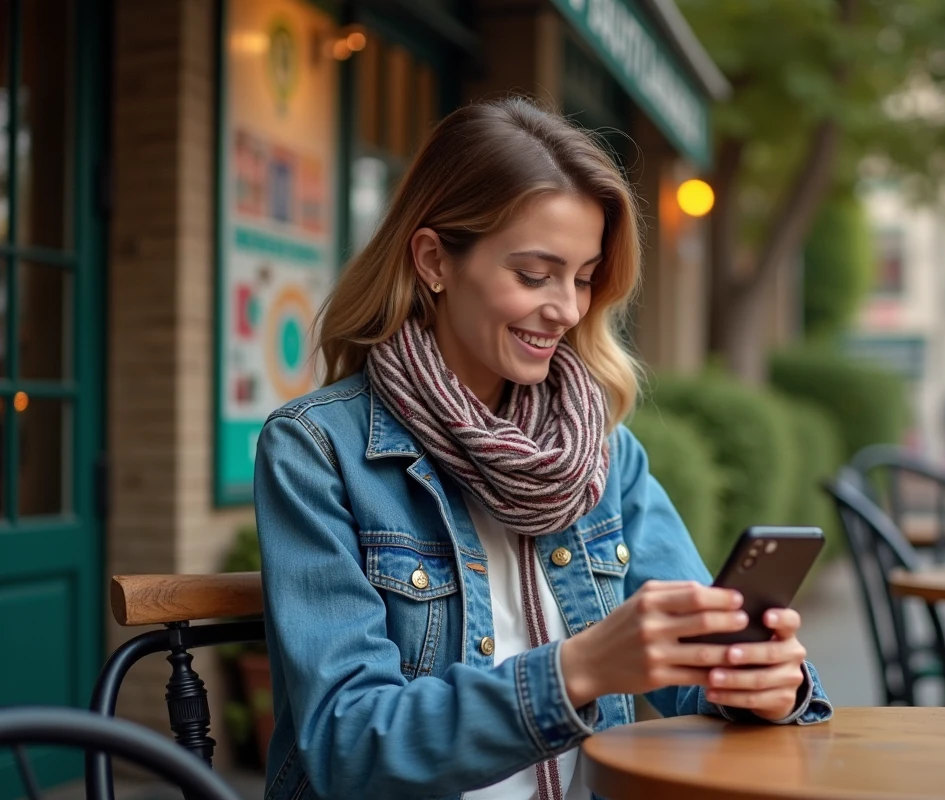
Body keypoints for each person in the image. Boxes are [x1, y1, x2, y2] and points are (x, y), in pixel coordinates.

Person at [253, 99, 831, 800]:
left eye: (584, 277)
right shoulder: (319, 451)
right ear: (434, 259)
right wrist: (576, 671)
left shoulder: (604, 453)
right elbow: (349, 744)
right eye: (535, 274)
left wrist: (763, 685)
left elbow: (693, 675)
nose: (569, 308)